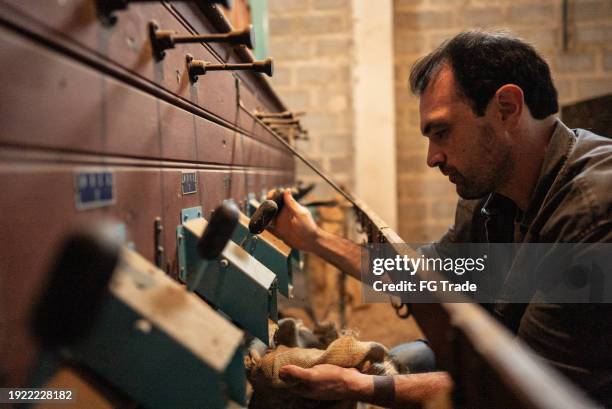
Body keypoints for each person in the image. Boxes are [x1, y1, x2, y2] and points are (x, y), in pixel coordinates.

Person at [268, 30, 612, 407]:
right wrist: (312, 238)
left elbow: (525, 389)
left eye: (442, 132)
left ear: (507, 108)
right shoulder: (490, 198)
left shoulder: (592, 216)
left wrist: (361, 387)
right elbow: (422, 273)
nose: (432, 158)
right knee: (406, 357)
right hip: (514, 367)